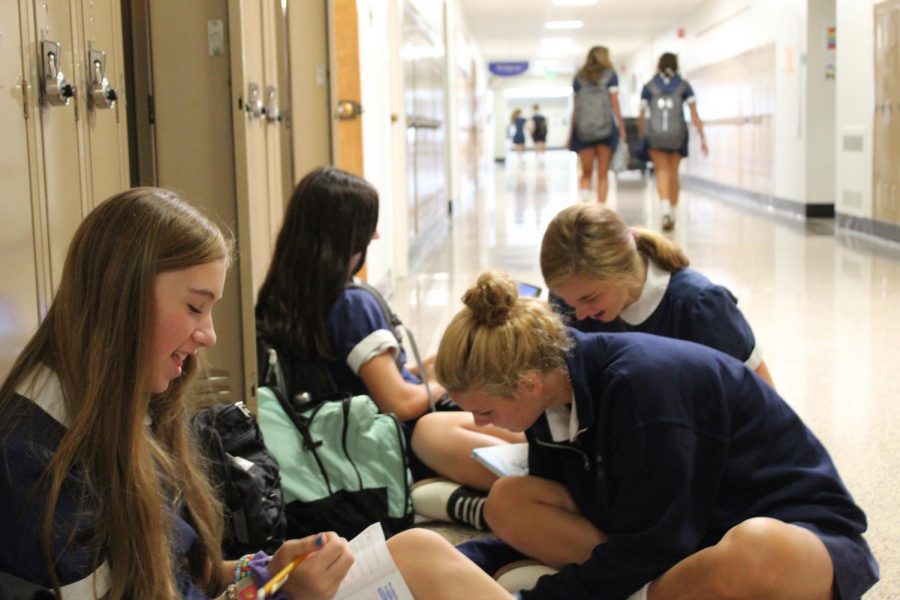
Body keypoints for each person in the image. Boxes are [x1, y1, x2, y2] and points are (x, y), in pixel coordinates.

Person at [0, 187, 512, 600]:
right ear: (123, 297)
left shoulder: (122, 401)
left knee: (420, 550)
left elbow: (182, 575)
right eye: (196, 307)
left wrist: (265, 569)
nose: (210, 334)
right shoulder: (38, 459)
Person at [434, 270, 879, 600]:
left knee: (758, 548)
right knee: (509, 500)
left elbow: (657, 540)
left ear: (527, 384)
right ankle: (653, 591)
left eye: (485, 410)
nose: (479, 424)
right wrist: (471, 563)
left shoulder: (642, 388)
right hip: (684, 541)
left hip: (793, 537)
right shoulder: (548, 400)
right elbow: (630, 524)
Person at [255, 167, 521, 531]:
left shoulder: (280, 298)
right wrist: (454, 384)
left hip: (331, 441)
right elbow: (400, 402)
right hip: (391, 445)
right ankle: (536, 480)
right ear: (346, 236)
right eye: (368, 227)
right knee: (497, 417)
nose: (376, 234)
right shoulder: (353, 304)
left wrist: (423, 373)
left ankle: (455, 498)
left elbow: (348, 381)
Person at [541, 203, 774, 387]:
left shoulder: (698, 308)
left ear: (622, 271)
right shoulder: (569, 299)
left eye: (590, 299)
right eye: (571, 303)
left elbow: (764, 398)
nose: (580, 314)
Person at [638, 52, 708, 231]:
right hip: (677, 135)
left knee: (661, 171)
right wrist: (702, 137)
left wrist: (642, 135)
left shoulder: (649, 86)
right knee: (673, 173)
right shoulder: (684, 86)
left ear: (659, 65)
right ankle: (674, 213)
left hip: (655, 136)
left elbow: (642, 115)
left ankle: (665, 210)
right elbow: (694, 113)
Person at [568, 46, 626, 203]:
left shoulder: (579, 77)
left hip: (583, 130)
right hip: (606, 130)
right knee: (602, 174)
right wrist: (621, 126)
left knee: (586, 173)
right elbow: (614, 102)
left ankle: (585, 206)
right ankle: (600, 210)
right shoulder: (610, 76)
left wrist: (572, 131)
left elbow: (576, 107)